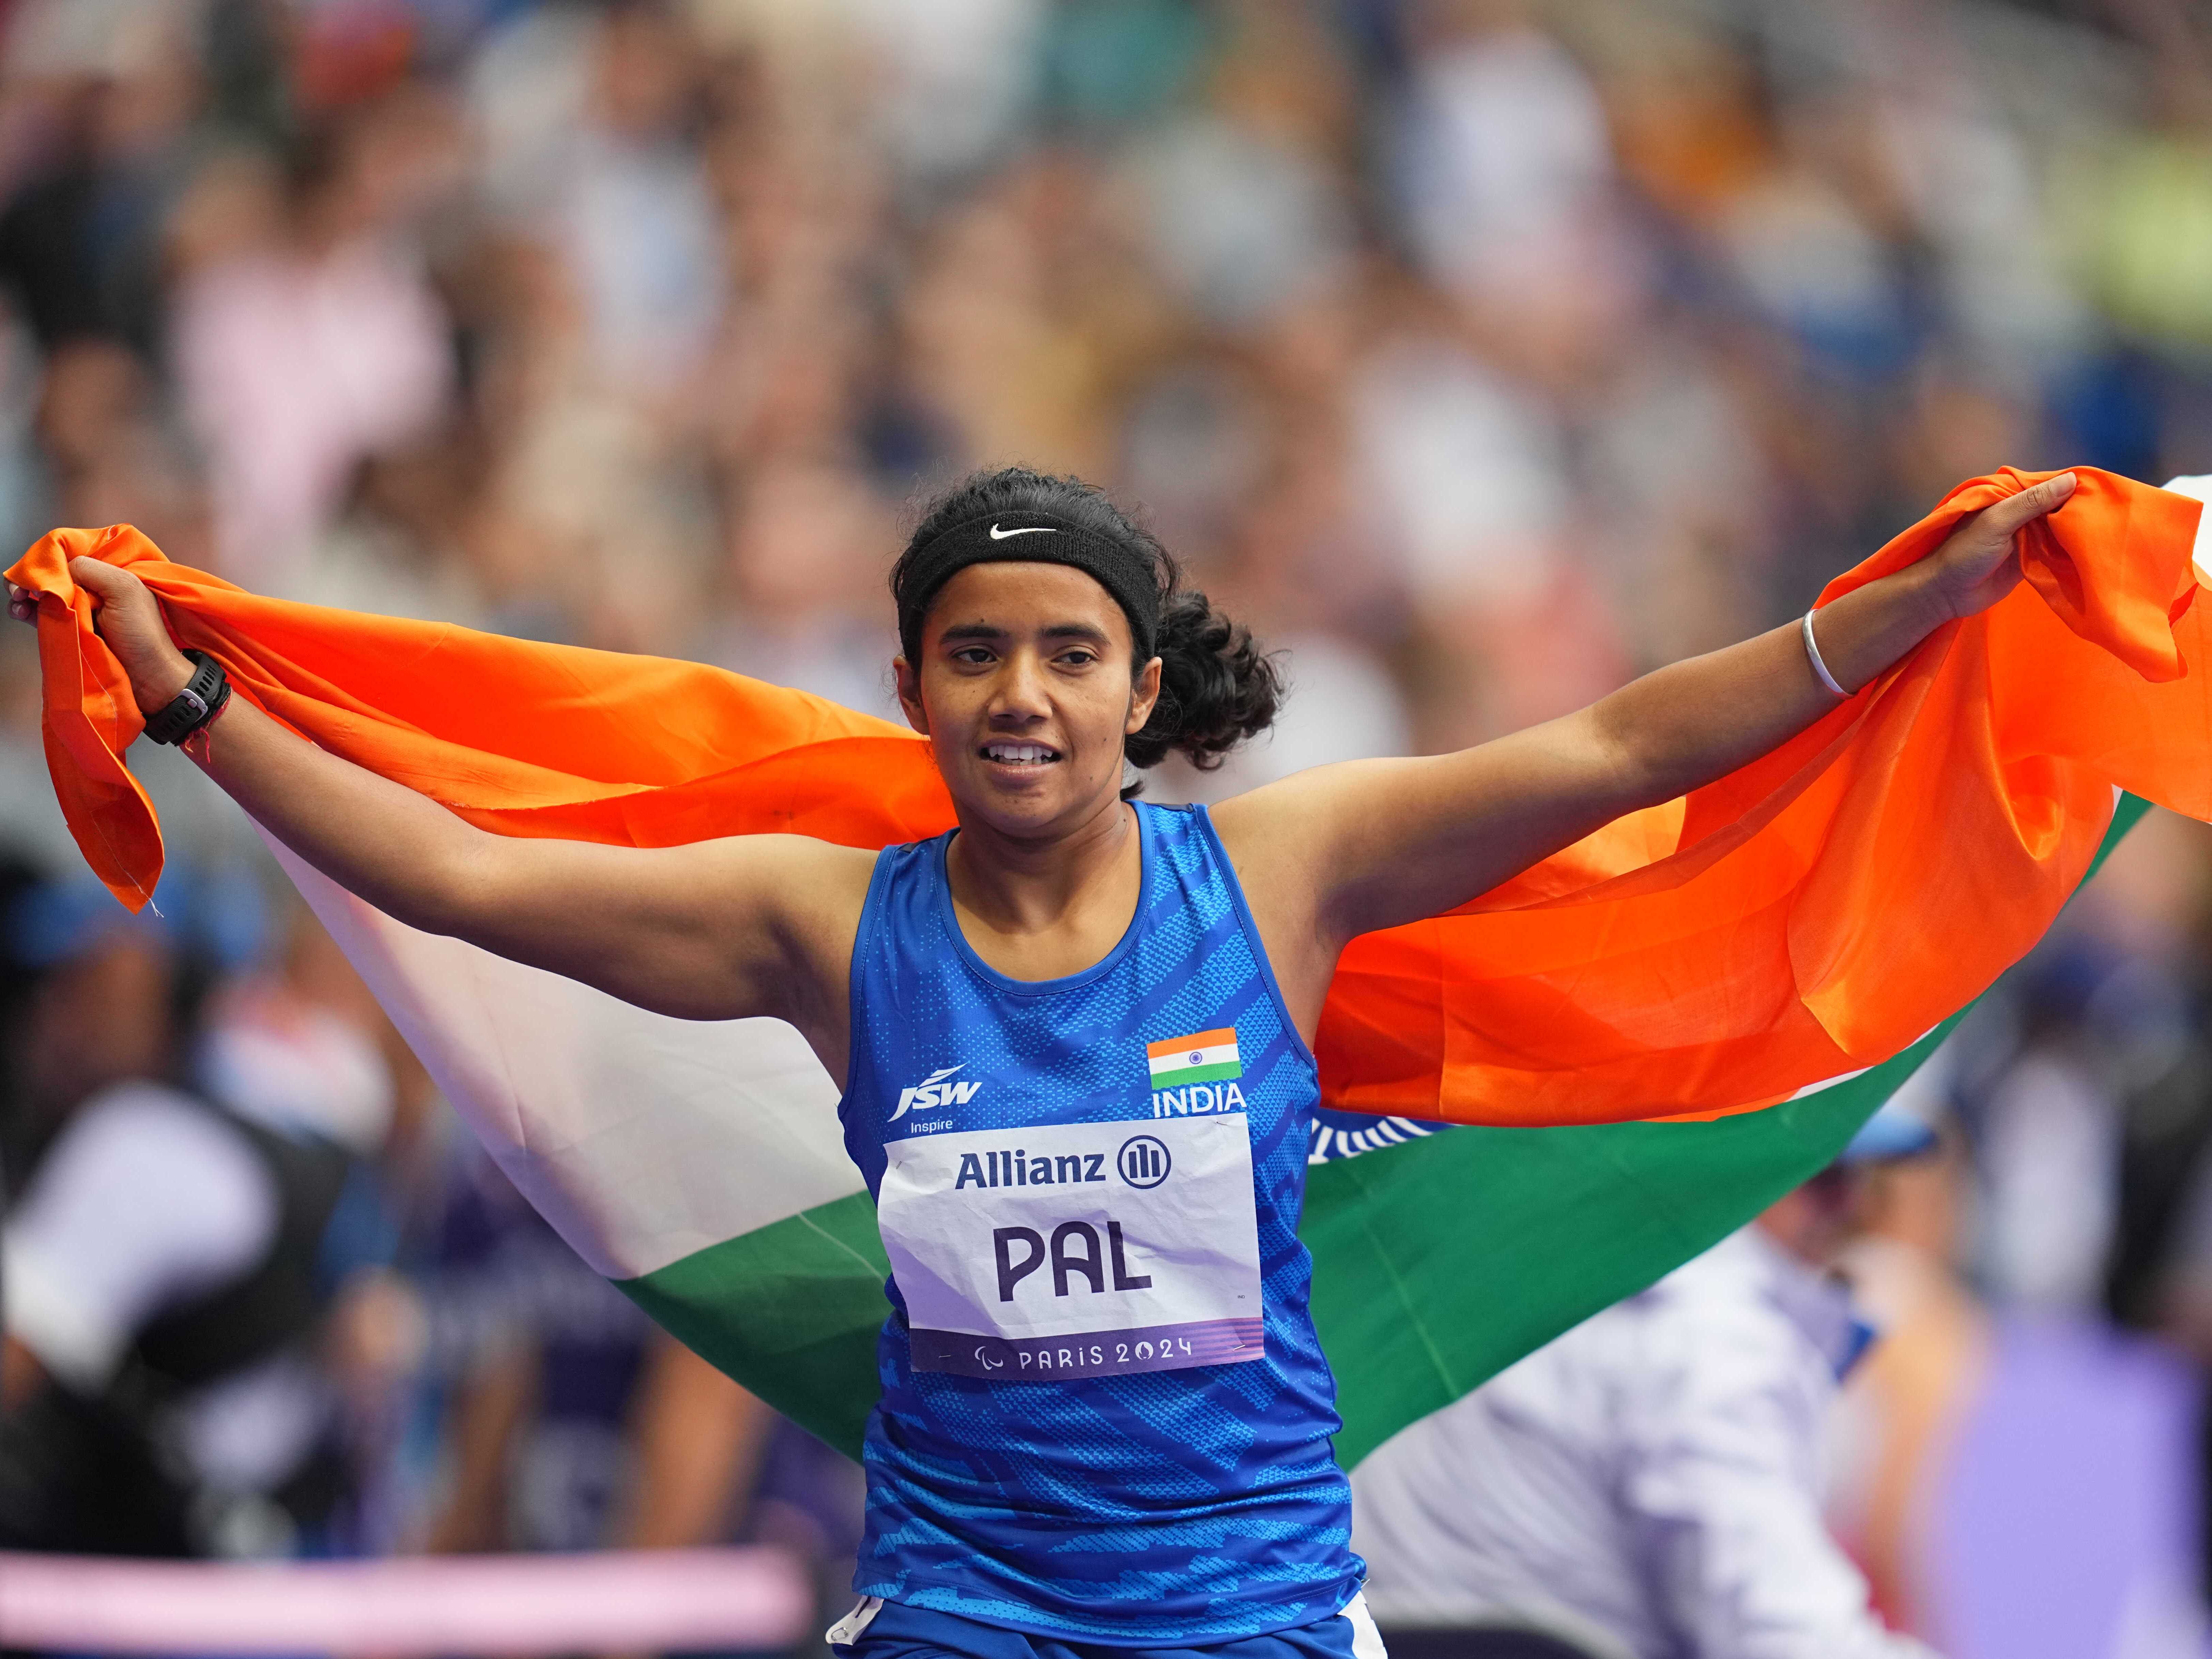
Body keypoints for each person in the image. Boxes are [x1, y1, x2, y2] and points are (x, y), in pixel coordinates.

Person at [6, 463, 2074, 1655]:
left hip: (1253, 1610)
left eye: (1068, 651)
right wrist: (194, 705)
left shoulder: (1278, 871)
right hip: (961, 1606)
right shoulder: (822, 927)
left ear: (1138, 687)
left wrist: (1896, 608)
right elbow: (458, 876)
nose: (1021, 692)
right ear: (909, 682)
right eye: (974, 650)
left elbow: (1622, 748)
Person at [1348, 1105, 1947, 1659]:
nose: (1845, 1210)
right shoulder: (1711, 1329)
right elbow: (1784, 1634)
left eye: (1859, 1187)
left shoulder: (1487, 1254)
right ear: (1734, 1162)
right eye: (1820, 1175)